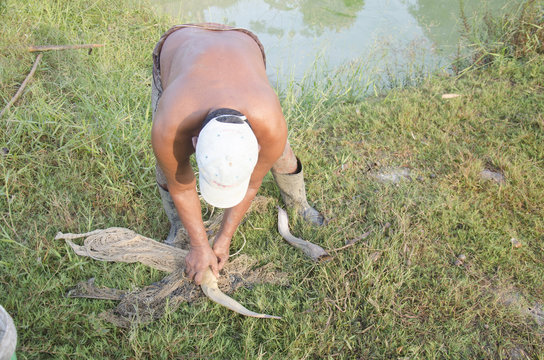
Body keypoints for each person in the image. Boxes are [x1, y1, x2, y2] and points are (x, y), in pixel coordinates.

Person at [151, 23, 324, 285]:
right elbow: (181, 186)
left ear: (256, 147)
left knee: (282, 155)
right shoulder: (171, 124)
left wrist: (224, 239)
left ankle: (300, 205)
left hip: (242, 42)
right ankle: (179, 228)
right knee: (167, 167)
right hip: (181, 43)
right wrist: (199, 245)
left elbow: (253, 182)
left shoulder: (270, 124)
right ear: (195, 142)